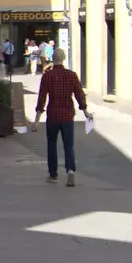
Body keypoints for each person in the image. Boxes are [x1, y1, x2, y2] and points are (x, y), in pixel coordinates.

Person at [33, 47, 92, 186]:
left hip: (53, 115)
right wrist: (85, 111)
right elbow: (79, 95)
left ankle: (53, 175)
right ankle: (70, 170)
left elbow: (42, 98)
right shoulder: (72, 75)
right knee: (68, 145)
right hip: (67, 116)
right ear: (64, 58)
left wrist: (36, 120)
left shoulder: (47, 76)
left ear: (53, 59)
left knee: (52, 144)